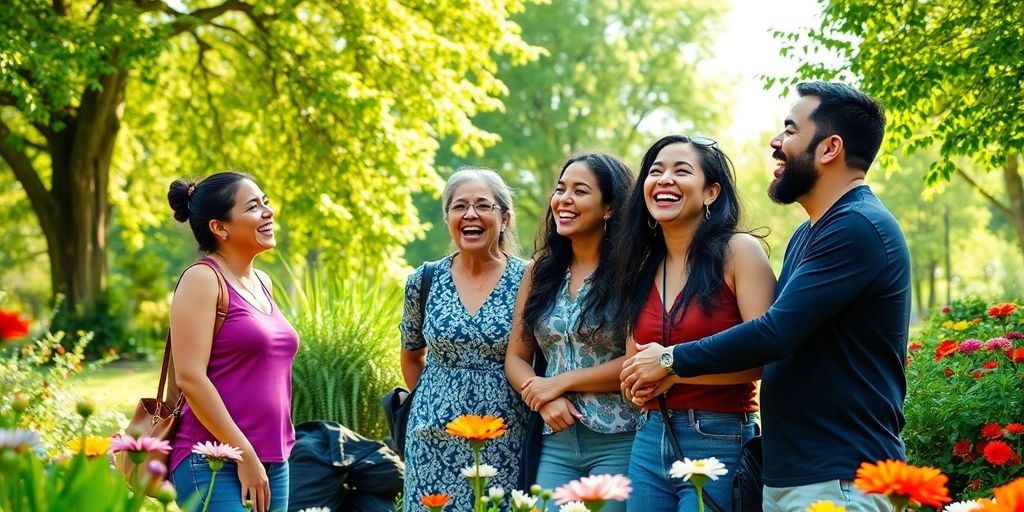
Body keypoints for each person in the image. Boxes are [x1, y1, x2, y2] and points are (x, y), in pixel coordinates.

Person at [622, 82, 911, 512]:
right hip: (792, 471)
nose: (777, 142)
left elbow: (774, 334)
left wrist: (670, 360)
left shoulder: (858, 227)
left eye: (791, 130)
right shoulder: (810, 232)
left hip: (842, 476)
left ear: (830, 148)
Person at [612, 135, 776, 511]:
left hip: (719, 436)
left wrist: (673, 371)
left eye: (681, 171)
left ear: (711, 192)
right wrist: (634, 386)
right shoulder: (639, 266)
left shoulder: (739, 252)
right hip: (650, 436)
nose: (664, 179)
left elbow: (767, 355)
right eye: (655, 171)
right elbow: (634, 362)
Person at [504, 154, 639, 511]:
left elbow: (634, 361)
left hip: (619, 438)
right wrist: (544, 396)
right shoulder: (540, 272)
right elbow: (516, 357)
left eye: (580, 191)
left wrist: (560, 382)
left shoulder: (632, 271)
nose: (564, 199)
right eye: (561, 189)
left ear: (608, 208)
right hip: (555, 441)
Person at [166, 171, 298, 512]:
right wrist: (245, 454)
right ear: (220, 227)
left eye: (266, 202)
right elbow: (190, 378)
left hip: (273, 458)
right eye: (254, 206)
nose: (268, 212)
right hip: (213, 459)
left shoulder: (263, 282)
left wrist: (263, 456)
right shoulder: (202, 279)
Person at [400, 168, 529, 511]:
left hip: (506, 438)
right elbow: (412, 355)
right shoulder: (423, 279)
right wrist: (435, 404)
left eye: (483, 206)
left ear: (504, 218)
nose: (470, 214)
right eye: (459, 207)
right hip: (432, 439)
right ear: (448, 218)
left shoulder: (530, 279)